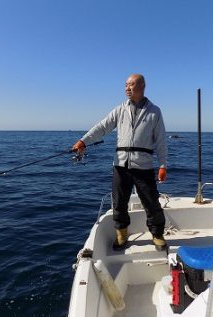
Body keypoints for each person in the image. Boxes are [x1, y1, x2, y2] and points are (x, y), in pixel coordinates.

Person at [72, 74, 168, 251]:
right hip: (120, 165)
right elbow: (102, 127)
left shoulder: (155, 111)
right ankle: (121, 233)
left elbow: (161, 140)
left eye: (131, 84)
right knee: (119, 202)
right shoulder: (120, 109)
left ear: (142, 86)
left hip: (144, 166)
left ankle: (157, 234)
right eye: (125, 85)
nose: (127, 88)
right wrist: (83, 141)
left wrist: (162, 165)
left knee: (151, 202)